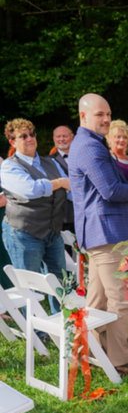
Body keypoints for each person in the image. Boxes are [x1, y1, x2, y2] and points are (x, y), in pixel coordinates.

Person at [68, 94, 128, 375]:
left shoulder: (91, 143)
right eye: (99, 115)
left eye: (108, 113)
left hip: (102, 234)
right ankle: (121, 362)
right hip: (107, 235)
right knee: (120, 299)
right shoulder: (89, 147)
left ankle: (86, 352)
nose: (106, 119)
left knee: (98, 300)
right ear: (83, 116)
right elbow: (110, 191)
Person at [1, 118, 68, 310]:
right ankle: (36, 335)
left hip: (53, 231)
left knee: (60, 280)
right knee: (29, 287)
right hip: (24, 233)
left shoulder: (51, 162)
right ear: (12, 142)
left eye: (32, 134)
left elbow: (70, 188)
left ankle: (64, 324)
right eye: (23, 136)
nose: (30, 139)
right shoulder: (9, 166)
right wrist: (60, 183)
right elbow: (31, 190)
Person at [50, 125, 75, 231]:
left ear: (72, 137)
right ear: (54, 139)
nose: (61, 139)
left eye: (64, 136)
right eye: (58, 136)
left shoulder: (83, 157)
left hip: (89, 213)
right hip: (65, 217)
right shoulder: (48, 161)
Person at [107, 120, 128, 184]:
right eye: (118, 137)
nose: (122, 140)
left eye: (125, 137)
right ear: (109, 138)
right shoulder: (107, 159)